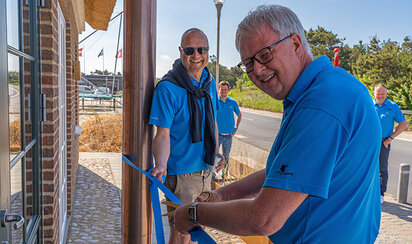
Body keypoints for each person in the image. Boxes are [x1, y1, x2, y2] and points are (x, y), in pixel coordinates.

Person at [173, 4, 382, 243]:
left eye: (264, 55)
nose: (258, 70)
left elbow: (264, 218)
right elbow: (285, 174)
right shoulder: (329, 86)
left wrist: (192, 213)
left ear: (295, 44)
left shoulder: (321, 104)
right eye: (249, 64)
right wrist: (222, 195)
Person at [149, 28, 224, 244]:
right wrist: (161, 165)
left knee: (196, 232)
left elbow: (213, 123)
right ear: (181, 51)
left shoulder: (209, 83)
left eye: (201, 49)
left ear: (208, 52)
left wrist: (215, 153)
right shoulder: (168, 88)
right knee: (181, 233)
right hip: (181, 175)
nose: (196, 55)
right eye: (190, 50)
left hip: (205, 171)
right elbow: (162, 134)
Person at [373, 84, 407, 204]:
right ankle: (369, 192)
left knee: (382, 169)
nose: (380, 96)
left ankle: (381, 194)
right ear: (374, 93)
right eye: (378, 93)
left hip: (384, 142)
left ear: (386, 93)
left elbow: (403, 124)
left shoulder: (393, 106)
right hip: (369, 142)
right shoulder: (369, 105)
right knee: (368, 167)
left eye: (383, 93)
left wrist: (390, 138)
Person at [216, 80, 242, 178]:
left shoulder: (232, 102)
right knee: (215, 156)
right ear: (218, 90)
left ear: (228, 90)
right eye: (221, 89)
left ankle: (224, 175)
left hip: (228, 136)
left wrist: (236, 127)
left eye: (225, 89)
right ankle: (213, 175)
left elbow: (239, 115)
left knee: (226, 156)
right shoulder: (214, 102)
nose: (223, 91)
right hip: (217, 135)